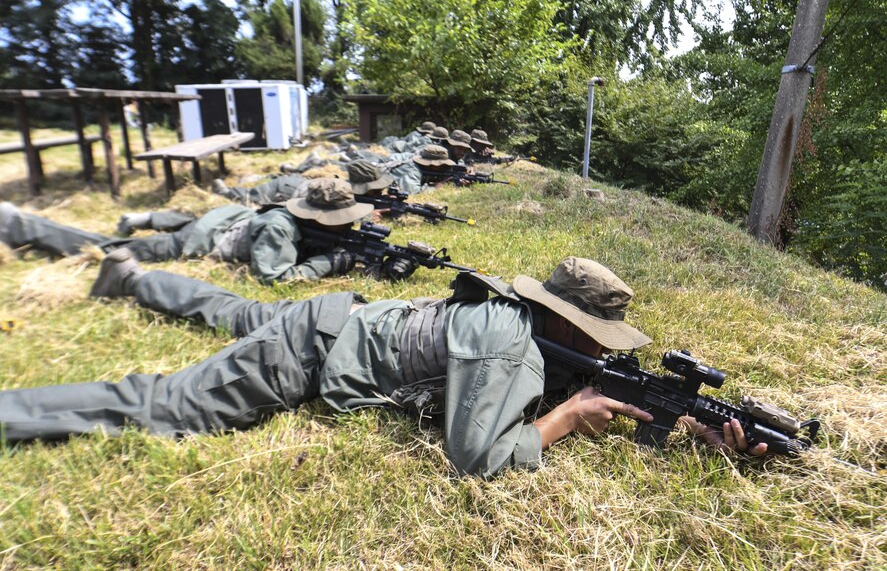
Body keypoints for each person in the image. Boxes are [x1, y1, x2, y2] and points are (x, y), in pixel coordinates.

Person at [0, 256, 766, 477]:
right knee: (163, 406)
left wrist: (694, 428)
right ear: (561, 317)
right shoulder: (507, 341)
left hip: (338, 317)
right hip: (308, 352)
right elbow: (475, 457)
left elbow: (588, 390)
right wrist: (565, 418)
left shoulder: (530, 332)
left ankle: (131, 278)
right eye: (597, 335)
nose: (602, 351)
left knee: (232, 308)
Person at [0, 179, 414, 284]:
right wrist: (330, 263)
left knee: (186, 215)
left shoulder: (310, 222)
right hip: (206, 238)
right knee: (118, 248)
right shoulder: (277, 227)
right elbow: (274, 277)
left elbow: (343, 240)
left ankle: (145, 217)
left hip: (231, 214)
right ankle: (20, 223)